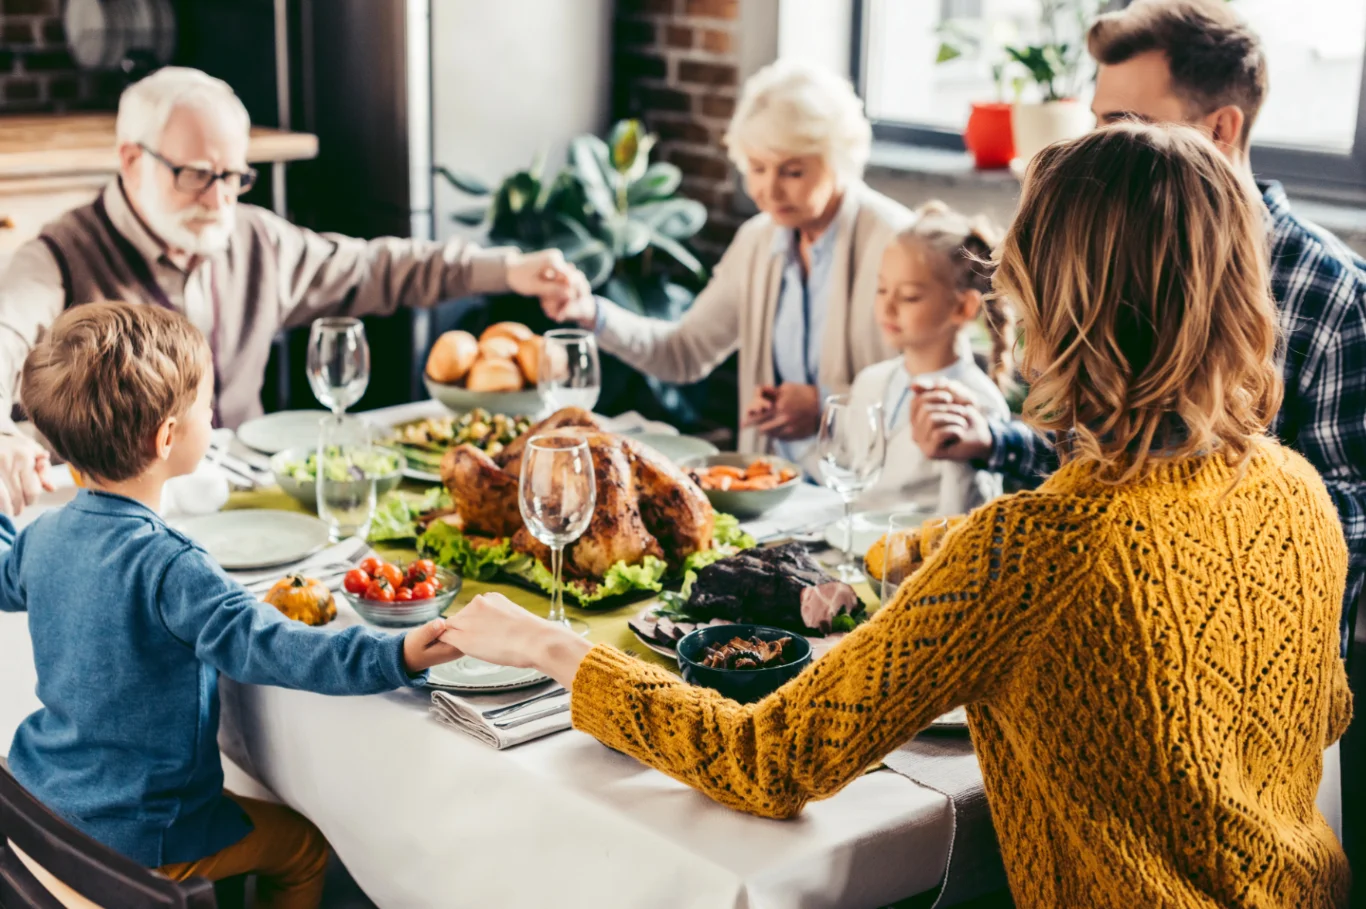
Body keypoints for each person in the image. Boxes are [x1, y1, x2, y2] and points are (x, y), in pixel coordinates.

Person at [440, 125, 1352, 908]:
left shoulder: (1032, 552)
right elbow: (1318, 709)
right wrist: (923, 552)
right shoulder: (1293, 490)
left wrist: (556, 650)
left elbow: (771, 758)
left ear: (1063, 311)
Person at [910, 0, 1366, 635]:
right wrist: (999, 443)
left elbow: (1355, 508)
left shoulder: (1334, 292)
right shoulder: (1112, 258)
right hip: (1099, 644)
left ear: (1221, 129)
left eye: (1128, 123)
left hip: (1256, 659)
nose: (1101, 150)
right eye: (1097, 123)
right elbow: (1103, 460)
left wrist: (1182, 532)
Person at [0, 301, 461, 908]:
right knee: (302, 847)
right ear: (166, 437)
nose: (212, 417)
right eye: (204, 408)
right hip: (145, 831)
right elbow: (270, 647)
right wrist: (394, 653)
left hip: (41, 797)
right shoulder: (170, 563)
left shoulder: (43, 535)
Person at [0, 66, 588, 517]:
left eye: (234, 176)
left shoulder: (256, 239)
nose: (221, 199)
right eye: (197, 175)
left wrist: (507, 270)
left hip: (249, 506)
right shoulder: (55, 257)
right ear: (131, 160)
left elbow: (379, 267)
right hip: (114, 523)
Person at [541, 60, 912, 473]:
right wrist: (592, 313)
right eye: (756, 168)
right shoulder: (758, 239)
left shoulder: (899, 243)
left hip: (870, 495)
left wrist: (830, 405)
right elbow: (684, 352)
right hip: (774, 490)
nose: (769, 190)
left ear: (839, 159)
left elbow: (927, 388)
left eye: (792, 171)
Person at [847, 202, 1010, 514]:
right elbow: (850, 487)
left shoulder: (976, 405)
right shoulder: (870, 383)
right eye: (882, 290)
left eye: (909, 296)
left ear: (962, 308)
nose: (888, 307)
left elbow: (969, 520)